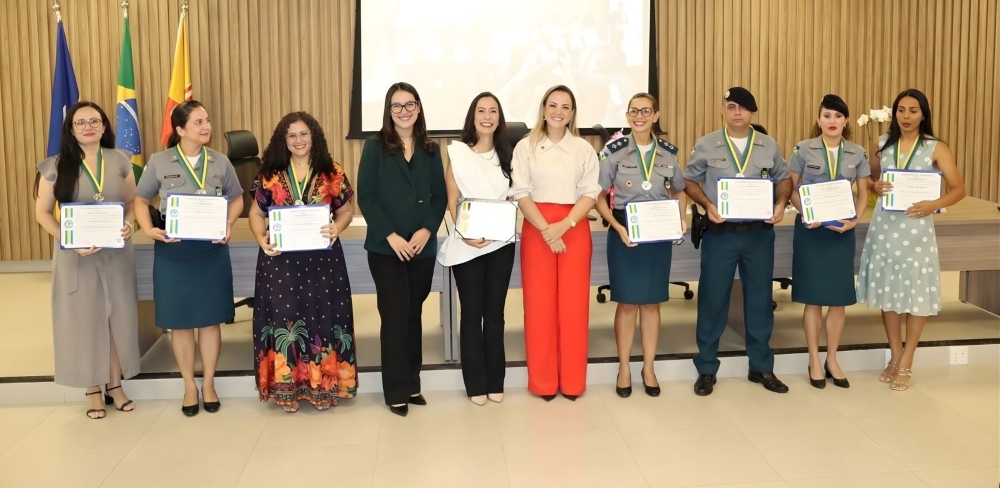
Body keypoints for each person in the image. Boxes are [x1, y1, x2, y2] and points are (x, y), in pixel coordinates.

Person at [134, 100, 244, 416]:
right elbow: (141, 200)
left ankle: (208, 382)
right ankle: (188, 385)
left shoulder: (221, 161)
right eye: (198, 122)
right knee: (180, 322)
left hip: (211, 249)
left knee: (210, 321)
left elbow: (236, 200)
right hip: (174, 249)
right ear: (181, 130)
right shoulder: (159, 161)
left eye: (206, 120)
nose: (206, 126)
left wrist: (228, 222)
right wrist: (148, 229)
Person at [683, 87, 792, 396]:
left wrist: (781, 204)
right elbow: (689, 181)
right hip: (721, 235)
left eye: (743, 108)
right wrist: (708, 205)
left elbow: (783, 179)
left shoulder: (768, 144)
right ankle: (706, 368)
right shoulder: (706, 144)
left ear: (752, 113)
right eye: (731, 107)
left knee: (759, 302)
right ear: (723, 110)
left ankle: (760, 367)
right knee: (712, 301)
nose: (737, 112)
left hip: (759, 235)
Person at [33, 101, 139, 419]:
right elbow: (42, 213)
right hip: (76, 256)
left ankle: (115, 385)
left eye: (95, 121)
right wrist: (70, 241)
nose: (88, 126)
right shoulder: (55, 165)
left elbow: (133, 202)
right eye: (80, 123)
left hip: (116, 253)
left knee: (116, 319)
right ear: (71, 129)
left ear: (105, 126)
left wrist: (130, 223)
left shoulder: (121, 160)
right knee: (85, 320)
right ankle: (92, 388)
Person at [250, 112, 358, 412]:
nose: (298, 140)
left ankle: (323, 388)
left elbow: (347, 210)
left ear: (315, 137)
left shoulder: (331, 171)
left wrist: (338, 227)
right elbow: (256, 214)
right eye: (292, 135)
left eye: (304, 134)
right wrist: (262, 239)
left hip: (323, 261)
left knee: (323, 318)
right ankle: (288, 390)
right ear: (283, 140)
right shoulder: (270, 172)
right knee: (286, 323)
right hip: (280, 263)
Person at [859, 88, 965, 391]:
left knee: (916, 295)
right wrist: (874, 186)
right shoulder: (883, 144)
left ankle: (908, 360)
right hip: (885, 228)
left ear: (923, 114)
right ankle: (894, 356)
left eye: (913, 110)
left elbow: (958, 188)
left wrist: (933, 204)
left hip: (917, 230)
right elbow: (868, 177)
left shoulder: (935, 147)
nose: (906, 116)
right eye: (901, 110)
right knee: (889, 292)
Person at [357, 82, 447, 417]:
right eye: (397, 106)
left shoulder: (431, 148)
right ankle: (395, 389)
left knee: (413, 315)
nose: (404, 111)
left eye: (410, 104)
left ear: (419, 108)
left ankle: (412, 382)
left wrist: (427, 229)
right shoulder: (374, 146)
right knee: (394, 317)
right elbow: (366, 196)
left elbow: (439, 196)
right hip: (386, 249)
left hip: (421, 248)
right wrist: (390, 236)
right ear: (388, 111)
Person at [509, 85, 601, 401]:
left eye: (565, 106)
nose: (558, 111)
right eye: (553, 105)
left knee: (574, 308)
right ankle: (544, 382)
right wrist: (548, 230)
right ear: (543, 109)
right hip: (538, 230)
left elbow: (590, 193)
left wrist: (563, 226)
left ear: (572, 113)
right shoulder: (526, 147)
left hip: (573, 228)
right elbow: (520, 192)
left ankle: (573, 382)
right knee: (539, 308)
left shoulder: (583, 149)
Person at [594, 93, 686, 398]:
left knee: (651, 302)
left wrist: (680, 218)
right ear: (628, 115)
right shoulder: (614, 151)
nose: (639, 116)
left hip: (658, 236)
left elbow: (680, 190)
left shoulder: (668, 153)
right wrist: (616, 226)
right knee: (627, 302)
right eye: (634, 111)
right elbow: (595, 195)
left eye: (646, 111)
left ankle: (648, 367)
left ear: (656, 115)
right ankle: (624, 367)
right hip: (625, 235)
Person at [437, 92, 516, 406]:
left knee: (495, 314)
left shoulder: (509, 154)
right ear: (472, 117)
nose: (487, 116)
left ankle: (496, 379)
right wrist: (466, 234)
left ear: (499, 118)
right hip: (467, 244)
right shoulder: (458, 154)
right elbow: (453, 198)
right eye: (481, 111)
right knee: (471, 314)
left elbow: (515, 196)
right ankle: (475, 384)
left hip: (500, 244)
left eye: (493, 111)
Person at [788, 94, 870, 389]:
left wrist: (855, 220)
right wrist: (804, 211)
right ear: (818, 120)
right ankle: (813, 358)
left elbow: (863, 193)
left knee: (838, 300)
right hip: (812, 231)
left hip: (842, 232)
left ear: (845, 121)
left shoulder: (857, 153)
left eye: (837, 116)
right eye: (826, 116)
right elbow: (791, 187)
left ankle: (832, 358)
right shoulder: (803, 149)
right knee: (813, 299)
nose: (831, 121)